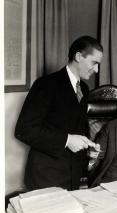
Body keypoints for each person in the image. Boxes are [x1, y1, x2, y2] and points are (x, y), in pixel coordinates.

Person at [15, 36, 103, 191]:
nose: (96, 70)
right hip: (45, 176)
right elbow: (24, 130)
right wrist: (67, 140)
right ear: (78, 56)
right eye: (94, 63)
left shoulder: (84, 88)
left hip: (73, 176)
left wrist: (88, 150)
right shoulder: (46, 85)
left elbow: (76, 128)